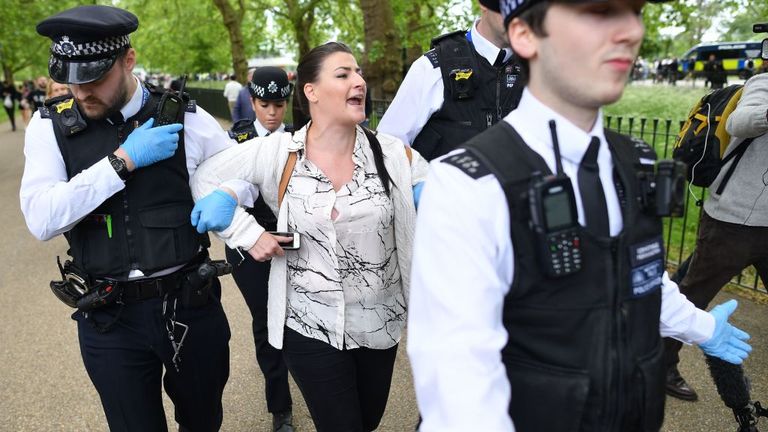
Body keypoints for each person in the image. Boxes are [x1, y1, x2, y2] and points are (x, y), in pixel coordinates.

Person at [407, 1, 752, 431]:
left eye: (634, 12)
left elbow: (636, 277)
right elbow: (459, 386)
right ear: (525, 35)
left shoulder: (636, 162)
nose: (629, 30)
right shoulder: (469, 183)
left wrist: (700, 326)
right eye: (598, 11)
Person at [19, 6, 249, 431]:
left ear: (128, 60)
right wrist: (121, 162)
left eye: (94, 78)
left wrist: (233, 193)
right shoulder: (49, 127)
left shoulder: (189, 118)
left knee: (203, 421)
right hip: (110, 317)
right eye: (72, 78)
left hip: (189, 303)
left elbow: (244, 174)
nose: (80, 90)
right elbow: (41, 217)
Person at [189, 41, 428, 432]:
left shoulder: (393, 155)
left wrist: (432, 197)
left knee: (366, 422)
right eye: (343, 74)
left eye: (359, 72)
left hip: (379, 325)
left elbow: (448, 193)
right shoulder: (279, 152)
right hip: (309, 325)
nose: (359, 81)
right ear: (311, 92)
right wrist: (246, 233)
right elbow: (205, 178)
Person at [664, 71, 768, 402]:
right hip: (732, 222)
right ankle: (660, 365)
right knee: (692, 295)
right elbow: (741, 121)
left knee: (689, 284)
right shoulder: (763, 83)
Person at [224, 66, 296, 432]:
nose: (272, 112)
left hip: (292, 242)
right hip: (247, 244)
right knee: (267, 320)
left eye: (279, 104)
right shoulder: (232, 140)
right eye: (265, 104)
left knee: (300, 319)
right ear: (251, 101)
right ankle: (280, 406)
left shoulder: (301, 139)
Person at [377, 0, 525, 161]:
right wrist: (421, 182)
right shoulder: (434, 66)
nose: (518, 14)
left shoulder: (537, 68)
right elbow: (387, 147)